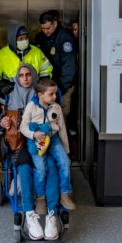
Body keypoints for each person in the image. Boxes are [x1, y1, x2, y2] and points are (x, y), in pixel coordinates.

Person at [0, 63, 62, 241]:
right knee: (24, 168)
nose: (25, 78)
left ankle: (52, 214)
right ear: (17, 78)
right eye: (21, 75)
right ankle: (30, 213)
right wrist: (3, 122)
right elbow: (0, 121)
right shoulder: (10, 95)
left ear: (34, 76)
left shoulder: (44, 94)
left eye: (28, 75)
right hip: (21, 144)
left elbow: (57, 120)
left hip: (43, 142)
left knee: (51, 167)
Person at [20, 77, 76, 213]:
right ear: (40, 95)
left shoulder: (56, 107)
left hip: (54, 139)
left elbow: (62, 128)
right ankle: (40, 198)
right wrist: (34, 135)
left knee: (65, 163)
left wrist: (66, 149)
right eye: (51, 94)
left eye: (55, 93)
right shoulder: (31, 107)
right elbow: (23, 127)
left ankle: (65, 193)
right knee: (41, 168)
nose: (55, 96)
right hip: (36, 140)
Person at [0, 23, 52, 106]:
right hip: (9, 102)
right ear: (13, 39)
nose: (24, 40)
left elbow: (46, 69)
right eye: (21, 38)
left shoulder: (36, 52)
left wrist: (42, 85)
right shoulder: (0, 56)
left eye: (26, 38)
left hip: (34, 101)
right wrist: (0, 86)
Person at [34, 11, 77, 120]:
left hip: (63, 85)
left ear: (55, 24)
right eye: (42, 28)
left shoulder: (65, 39)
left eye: (48, 28)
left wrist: (60, 88)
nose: (45, 31)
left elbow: (69, 67)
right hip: (45, 85)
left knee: (60, 115)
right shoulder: (40, 37)